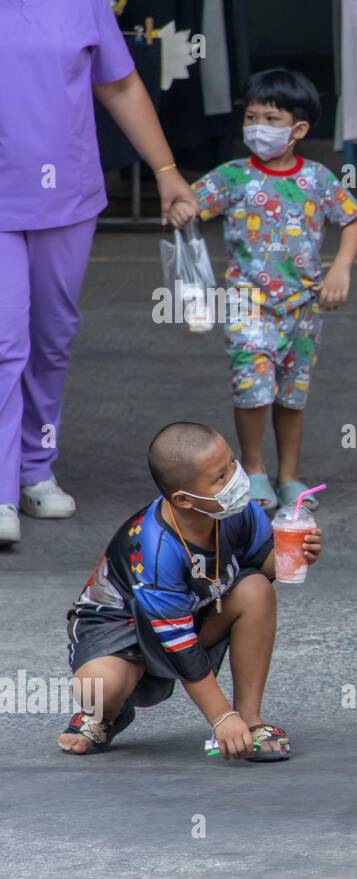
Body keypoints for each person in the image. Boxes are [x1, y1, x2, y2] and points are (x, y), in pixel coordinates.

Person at [0, 0, 199, 546]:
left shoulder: (83, 4)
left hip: (67, 196)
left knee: (51, 335)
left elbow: (121, 86)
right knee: (4, 338)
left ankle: (36, 468)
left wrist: (166, 172)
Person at [58, 422, 321, 758]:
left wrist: (297, 553)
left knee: (255, 589)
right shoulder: (154, 550)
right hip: (122, 633)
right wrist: (220, 718)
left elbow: (264, 562)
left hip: (192, 613)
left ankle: (251, 719)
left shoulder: (235, 510)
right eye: (220, 478)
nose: (235, 479)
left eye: (231, 463)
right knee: (99, 685)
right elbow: (180, 646)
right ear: (183, 499)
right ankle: (105, 714)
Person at [191, 68, 357, 513]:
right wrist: (175, 205)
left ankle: (288, 476)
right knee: (253, 387)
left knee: (292, 393)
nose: (257, 127)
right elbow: (189, 204)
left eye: (270, 118)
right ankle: (253, 471)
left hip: (304, 307)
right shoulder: (230, 176)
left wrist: (340, 270)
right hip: (246, 303)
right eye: (251, 117)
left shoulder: (318, 179)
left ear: (299, 129)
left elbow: (352, 219)